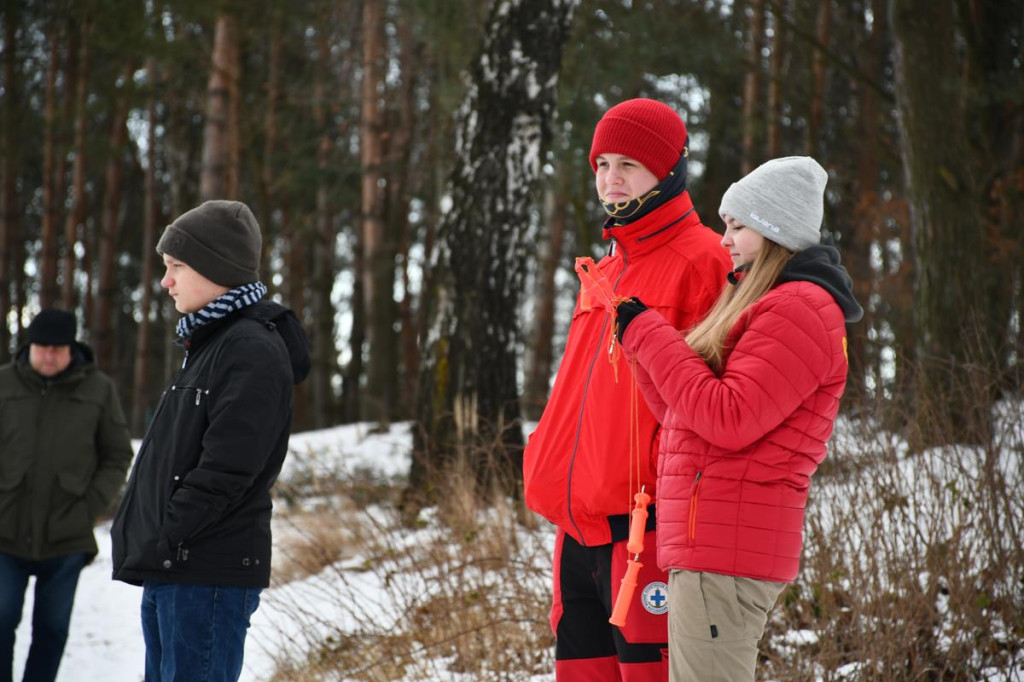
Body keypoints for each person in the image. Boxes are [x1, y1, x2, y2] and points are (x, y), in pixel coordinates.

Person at [614, 157, 863, 681]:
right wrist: (640, 352)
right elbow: (688, 422)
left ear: (774, 231)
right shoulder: (771, 300)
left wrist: (652, 336)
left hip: (725, 553)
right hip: (712, 548)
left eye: (737, 225)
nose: (724, 239)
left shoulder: (800, 308)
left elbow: (728, 418)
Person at [523, 98, 733, 681]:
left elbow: (713, 405)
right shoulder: (606, 271)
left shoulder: (707, 260)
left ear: (668, 172)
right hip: (576, 530)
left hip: (647, 535)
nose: (610, 180)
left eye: (629, 166)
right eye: (601, 165)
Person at [110, 200, 310, 682]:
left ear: (217, 268)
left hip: (205, 571)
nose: (166, 281)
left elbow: (229, 466)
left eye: (177, 266)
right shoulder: (210, 342)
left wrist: (171, 527)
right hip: (177, 567)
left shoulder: (250, 348)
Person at [0, 309, 133, 682]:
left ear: (72, 348)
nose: (48, 356)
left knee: (53, 629)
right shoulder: (4, 384)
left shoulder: (98, 389)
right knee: (1, 618)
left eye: (58, 348)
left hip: (66, 536)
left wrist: (90, 505)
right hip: (4, 532)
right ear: (28, 346)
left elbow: (117, 453)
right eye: (42, 347)